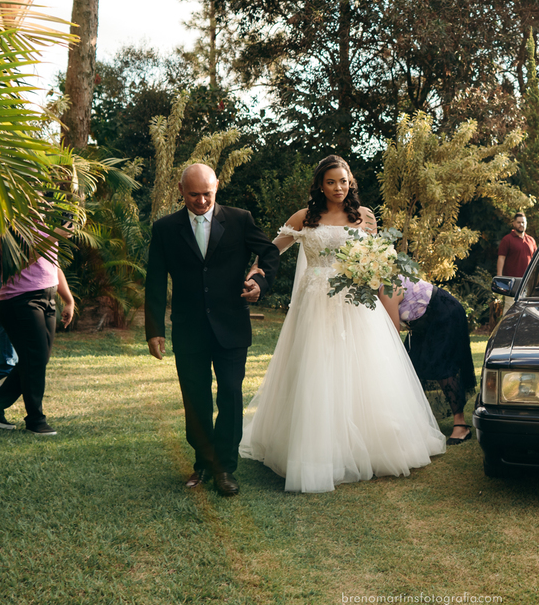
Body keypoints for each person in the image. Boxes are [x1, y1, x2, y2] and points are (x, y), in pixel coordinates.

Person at [239, 155, 446, 493]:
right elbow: (272, 250)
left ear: (351, 183)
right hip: (314, 305)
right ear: (320, 185)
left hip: (356, 305)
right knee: (316, 370)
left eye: (344, 181)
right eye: (331, 182)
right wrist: (254, 273)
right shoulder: (305, 218)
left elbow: (376, 260)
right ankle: (313, 449)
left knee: (361, 370)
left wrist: (372, 275)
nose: (338, 188)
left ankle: (372, 444)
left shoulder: (364, 218)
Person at [145, 164, 281, 496]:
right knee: (196, 400)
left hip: (232, 326)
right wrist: (154, 329)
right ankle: (203, 463)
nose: (202, 200)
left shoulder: (239, 219)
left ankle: (225, 468)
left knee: (231, 395)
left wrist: (260, 282)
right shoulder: (165, 228)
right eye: (194, 194)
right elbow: (155, 280)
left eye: (208, 193)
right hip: (189, 328)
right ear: (181, 190)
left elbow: (270, 252)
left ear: (217, 187)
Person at [0, 226, 74, 435]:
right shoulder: (7, 228)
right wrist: (54, 236)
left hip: (47, 299)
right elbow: (18, 263)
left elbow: (52, 266)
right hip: (19, 300)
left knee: (37, 360)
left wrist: (69, 300)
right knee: (35, 359)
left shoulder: (45, 227)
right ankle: (35, 420)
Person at [379, 277, 476, 445]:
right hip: (422, 323)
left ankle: (461, 425)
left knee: (441, 365)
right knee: (413, 365)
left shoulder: (387, 289)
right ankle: (415, 421)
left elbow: (392, 333)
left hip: (444, 313)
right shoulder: (376, 292)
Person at [496, 211, 536, 311]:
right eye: (518, 222)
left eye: (523, 222)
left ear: (526, 223)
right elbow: (501, 258)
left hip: (527, 283)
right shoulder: (507, 240)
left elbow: (535, 261)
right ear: (513, 223)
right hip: (511, 283)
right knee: (510, 310)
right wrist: (500, 279)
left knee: (527, 311)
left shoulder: (531, 240)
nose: (521, 224)